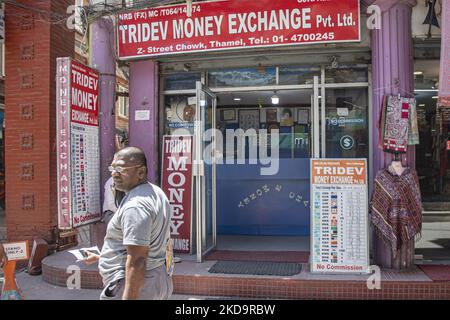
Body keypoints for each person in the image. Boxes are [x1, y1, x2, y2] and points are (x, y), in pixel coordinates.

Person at [84, 147, 173, 300]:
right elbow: (144, 245)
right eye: (113, 168)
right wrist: (103, 257)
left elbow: (137, 260)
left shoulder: (136, 206)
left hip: (135, 286)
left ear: (141, 172)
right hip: (156, 279)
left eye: (121, 169)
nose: (114, 173)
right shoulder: (154, 192)